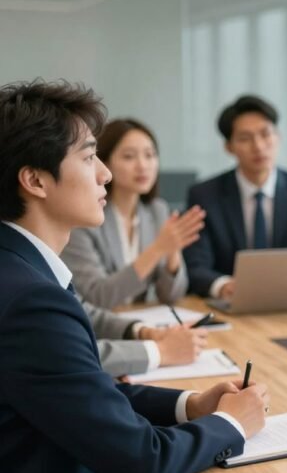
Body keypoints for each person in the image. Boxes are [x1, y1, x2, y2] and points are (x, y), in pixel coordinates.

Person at [0, 79, 269, 473]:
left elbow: (87, 390)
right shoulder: (30, 301)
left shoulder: (20, 269)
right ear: (35, 180)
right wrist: (232, 424)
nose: (105, 173)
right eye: (90, 157)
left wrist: (190, 405)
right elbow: (144, 462)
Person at [61, 118, 207, 376]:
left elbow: (171, 295)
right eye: (129, 156)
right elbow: (97, 297)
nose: (143, 165)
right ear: (105, 161)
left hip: (135, 329)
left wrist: (172, 252)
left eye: (150, 155)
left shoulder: (157, 210)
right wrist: (158, 249)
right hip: (108, 335)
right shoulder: (87, 216)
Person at [183, 95, 287, 298]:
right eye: (245, 138)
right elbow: (195, 266)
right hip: (230, 305)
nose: (259, 146)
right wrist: (223, 286)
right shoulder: (205, 195)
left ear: (278, 137)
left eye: (266, 134)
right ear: (228, 147)